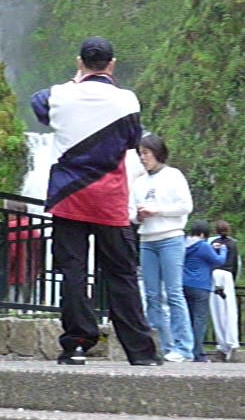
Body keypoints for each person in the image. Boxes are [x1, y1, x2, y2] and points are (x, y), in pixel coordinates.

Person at [30, 38, 159, 366]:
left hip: (68, 198)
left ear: (79, 62)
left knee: (72, 271)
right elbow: (133, 140)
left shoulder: (58, 96)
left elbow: (38, 103)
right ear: (111, 64)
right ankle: (141, 351)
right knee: (121, 273)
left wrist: (73, 82)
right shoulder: (127, 100)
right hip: (109, 199)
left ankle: (76, 344)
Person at [131, 133, 195, 361]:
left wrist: (157, 210)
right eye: (140, 154)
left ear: (157, 153)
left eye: (146, 153)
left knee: (174, 292)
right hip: (147, 240)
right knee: (151, 295)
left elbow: (185, 206)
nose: (142, 158)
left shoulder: (173, 176)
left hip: (171, 238)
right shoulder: (138, 182)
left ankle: (184, 347)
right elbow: (131, 213)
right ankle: (165, 346)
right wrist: (139, 215)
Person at [182, 221, 228, 362]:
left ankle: (186, 350)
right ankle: (198, 353)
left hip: (184, 284)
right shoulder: (203, 245)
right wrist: (223, 249)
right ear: (202, 234)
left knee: (187, 319)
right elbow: (219, 261)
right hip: (201, 286)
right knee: (200, 320)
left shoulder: (183, 244)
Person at [209, 219, 240, 359]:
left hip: (213, 275)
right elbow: (235, 264)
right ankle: (232, 342)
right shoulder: (232, 244)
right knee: (230, 310)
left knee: (217, 311)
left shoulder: (211, 244)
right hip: (226, 275)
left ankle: (221, 343)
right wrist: (233, 280)